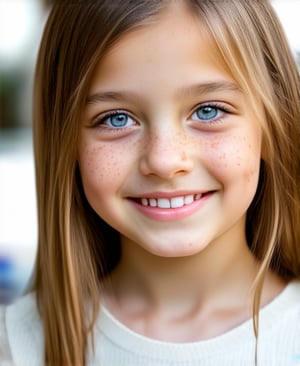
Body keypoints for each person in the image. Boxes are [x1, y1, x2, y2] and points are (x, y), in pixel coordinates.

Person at [1, 0, 300, 365]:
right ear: (67, 146)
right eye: (116, 119)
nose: (163, 160)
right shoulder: (16, 347)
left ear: (273, 125)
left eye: (209, 110)